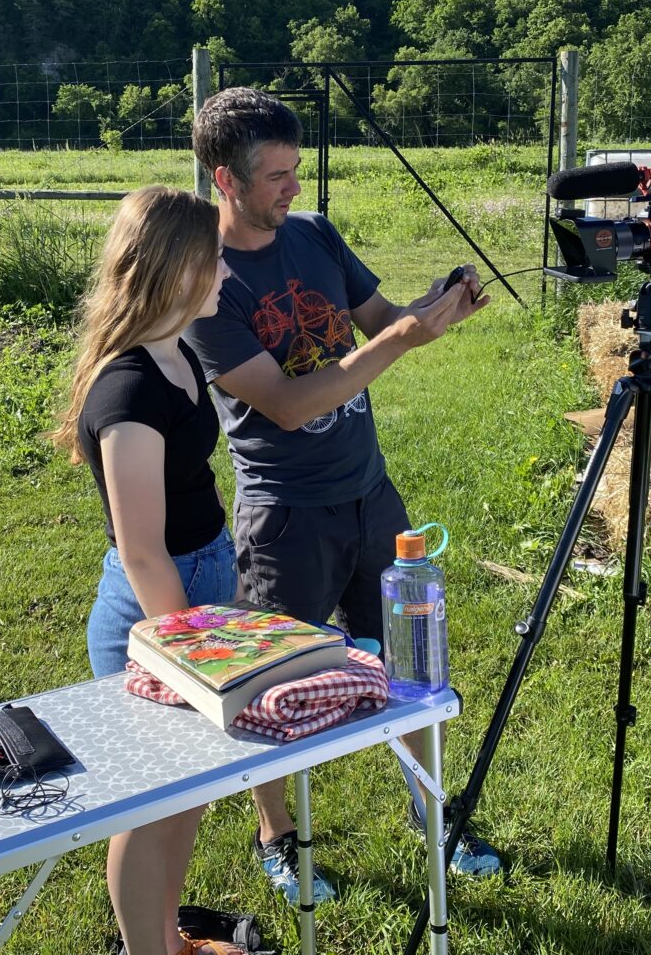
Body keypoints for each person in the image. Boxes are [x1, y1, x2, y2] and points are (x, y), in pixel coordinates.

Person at [183, 87, 504, 906]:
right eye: (276, 176)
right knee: (269, 687)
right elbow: (287, 406)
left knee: (414, 661)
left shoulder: (317, 234)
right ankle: (277, 837)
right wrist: (401, 338)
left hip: (371, 494)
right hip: (285, 515)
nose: (293, 189)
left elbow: (379, 318)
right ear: (226, 178)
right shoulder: (203, 282)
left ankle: (431, 813)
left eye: (297, 169)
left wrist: (434, 310)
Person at [48, 185, 244, 955]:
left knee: (186, 794)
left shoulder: (181, 351)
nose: (228, 271)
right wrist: (193, 651)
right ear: (177, 270)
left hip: (199, 589)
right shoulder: (128, 392)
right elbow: (140, 551)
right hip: (157, 612)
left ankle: (170, 938)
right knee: (145, 803)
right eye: (216, 258)